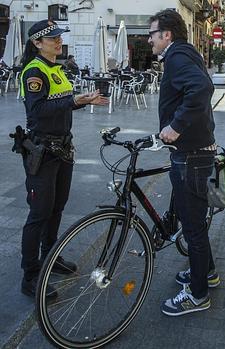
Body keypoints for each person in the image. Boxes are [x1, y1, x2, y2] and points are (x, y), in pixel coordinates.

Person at [15, 20, 108, 299]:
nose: (58, 41)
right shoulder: (34, 71)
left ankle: (50, 257)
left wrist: (83, 100)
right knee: (38, 214)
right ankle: (30, 275)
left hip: (62, 150)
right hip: (42, 153)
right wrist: (76, 101)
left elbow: (61, 108)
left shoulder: (58, 69)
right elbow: (39, 110)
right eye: (52, 37)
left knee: (57, 208)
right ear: (37, 43)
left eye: (59, 36)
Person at [148, 9, 220, 316]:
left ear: (166, 35)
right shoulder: (184, 54)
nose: (148, 39)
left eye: (152, 34)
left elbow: (202, 89)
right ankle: (208, 274)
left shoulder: (177, 57)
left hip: (191, 156)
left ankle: (199, 294)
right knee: (194, 223)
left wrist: (175, 126)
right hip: (194, 153)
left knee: (193, 227)